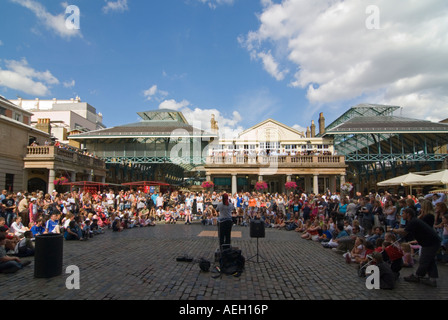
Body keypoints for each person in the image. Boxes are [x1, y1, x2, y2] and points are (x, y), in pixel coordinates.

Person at [393, 207, 441, 287]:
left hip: (430, 242)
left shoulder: (413, 222)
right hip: (430, 242)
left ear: (408, 214)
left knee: (424, 260)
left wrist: (393, 230)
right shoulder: (413, 221)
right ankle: (432, 279)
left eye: (403, 213)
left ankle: (418, 276)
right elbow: (405, 230)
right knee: (430, 260)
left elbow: (404, 232)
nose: (402, 215)